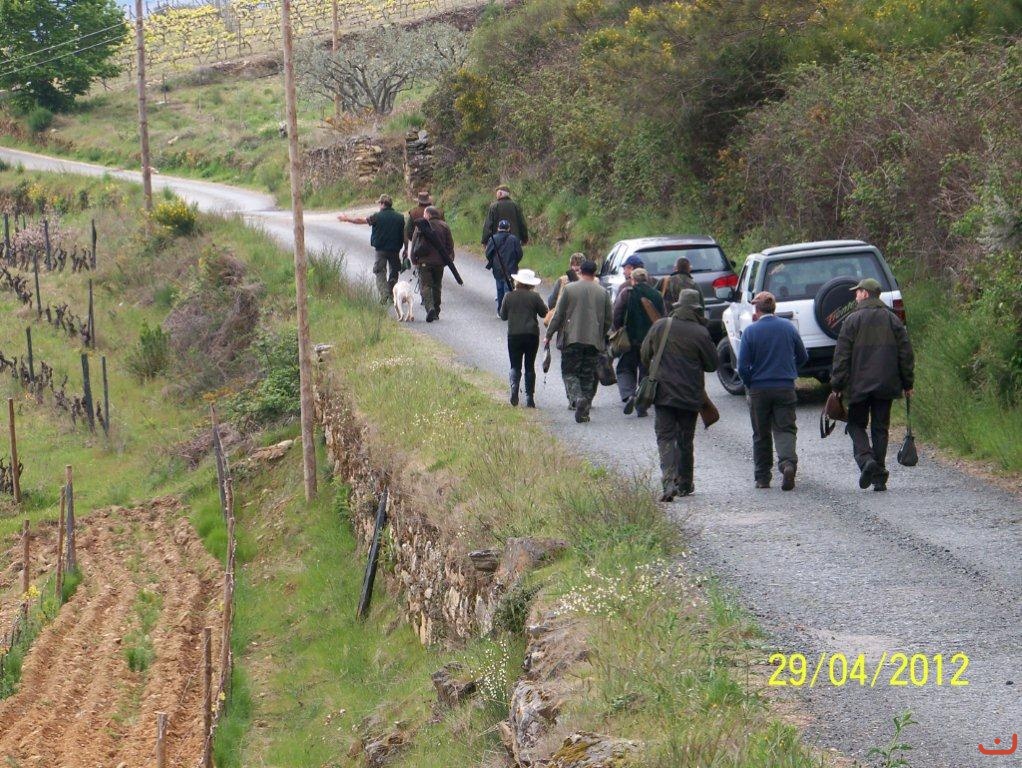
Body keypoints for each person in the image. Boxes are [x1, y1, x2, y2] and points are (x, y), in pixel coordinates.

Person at [830, 277, 915, 491]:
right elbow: (906, 353)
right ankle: (879, 477)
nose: (855, 295)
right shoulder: (893, 319)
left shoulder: (852, 320)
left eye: (858, 292)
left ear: (865, 294)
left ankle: (866, 460)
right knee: (880, 428)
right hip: (887, 384)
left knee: (855, 424)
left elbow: (842, 356)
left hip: (858, 385)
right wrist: (908, 382)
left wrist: (837, 385)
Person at [640, 289, 718, 501]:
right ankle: (684, 483)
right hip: (690, 394)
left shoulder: (660, 326)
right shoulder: (701, 333)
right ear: (696, 310)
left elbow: (645, 354)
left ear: (677, 306)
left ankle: (668, 481)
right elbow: (712, 365)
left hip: (663, 393)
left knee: (665, 437)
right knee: (685, 439)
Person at [737, 291, 808, 491]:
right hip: (784, 386)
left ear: (756, 309)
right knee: (785, 428)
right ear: (773, 308)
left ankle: (762, 478)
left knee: (761, 433)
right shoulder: (788, 327)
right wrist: (790, 370)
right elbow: (803, 356)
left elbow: (742, 366)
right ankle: (787, 464)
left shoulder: (750, 332)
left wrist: (750, 383)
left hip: (759, 389)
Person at [544, 260, 612, 423]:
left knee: (569, 372)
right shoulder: (603, 293)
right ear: (595, 273)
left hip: (572, 339)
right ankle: (584, 409)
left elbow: (558, 314)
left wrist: (549, 334)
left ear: (580, 271)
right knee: (587, 375)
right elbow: (609, 319)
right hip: (594, 341)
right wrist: (600, 334)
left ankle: (577, 398)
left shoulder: (569, 289)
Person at [611, 267, 665, 417]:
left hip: (630, 339)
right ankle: (642, 404)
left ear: (632, 280)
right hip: (650, 341)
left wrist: (618, 329)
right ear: (646, 279)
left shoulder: (627, 293)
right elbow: (663, 317)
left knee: (624, 369)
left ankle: (629, 395)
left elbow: (617, 314)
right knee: (646, 372)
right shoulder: (657, 295)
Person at [337, 194, 405, 304]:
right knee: (394, 271)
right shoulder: (400, 217)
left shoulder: (376, 217)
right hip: (395, 250)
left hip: (381, 250)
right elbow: (404, 235)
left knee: (379, 271)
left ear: (382, 204)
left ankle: (384, 293)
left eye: (379, 203)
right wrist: (406, 248)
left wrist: (346, 219)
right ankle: (391, 293)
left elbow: (360, 220)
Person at [499, 268, 547, 408]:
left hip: (514, 334)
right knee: (529, 366)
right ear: (531, 284)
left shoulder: (509, 296)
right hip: (532, 335)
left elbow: (503, 316)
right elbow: (544, 313)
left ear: (517, 281)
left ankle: (514, 386)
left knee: (515, 365)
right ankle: (529, 397)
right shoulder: (535, 297)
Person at [409, 206, 455, 323]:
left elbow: (414, 244)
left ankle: (430, 308)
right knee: (437, 286)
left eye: (424, 214)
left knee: (425, 285)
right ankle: (436, 311)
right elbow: (450, 245)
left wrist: (413, 259)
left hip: (424, 262)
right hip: (439, 263)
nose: (423, 216)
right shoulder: (444, 226)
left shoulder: (421, 226)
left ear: (428, 215)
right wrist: (445, 258)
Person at [485, 219, 524, 315]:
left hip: (497, 268)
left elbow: (488, 253)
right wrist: (514, 262)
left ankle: (500, 310)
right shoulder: (514, 239)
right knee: (509, 289)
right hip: (511, 268)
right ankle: (509, 310)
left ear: (498, 228)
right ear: (509, 228)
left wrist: (493, 262)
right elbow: (519, 254)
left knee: (499, 289)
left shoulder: (493, 238)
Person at [403, 190, 434, 263]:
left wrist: (414, 239)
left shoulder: (414, 212)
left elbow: (408, 230)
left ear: (419, 202)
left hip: (420, 243)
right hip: (435, 242)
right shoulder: (437, 211)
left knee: (419, 263)